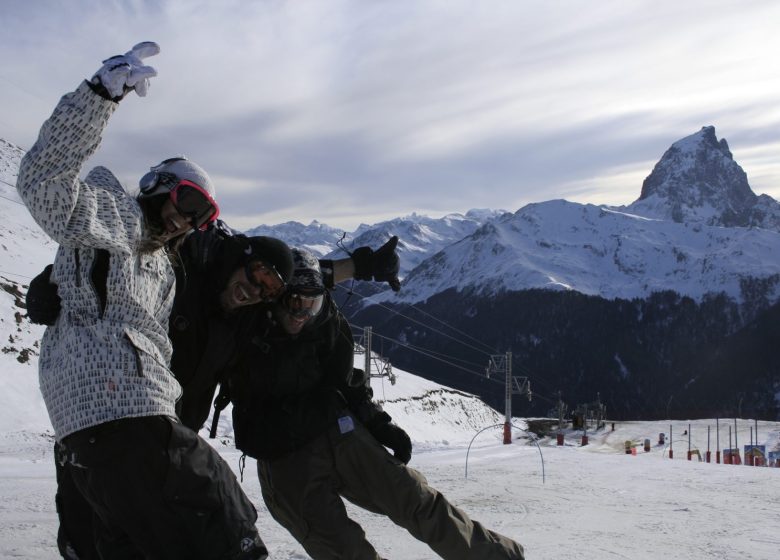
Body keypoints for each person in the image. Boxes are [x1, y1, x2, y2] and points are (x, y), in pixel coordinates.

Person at [17, 42, 267, 559]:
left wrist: (57, 281)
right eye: (188, 202)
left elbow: (92, 280)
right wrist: (97, 97)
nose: (188, 222)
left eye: (202, 217)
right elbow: (45, 187)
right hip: (122, 413)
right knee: (226, 524)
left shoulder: (162, 265)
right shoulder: (120, 215)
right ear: (158, 187)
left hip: (109, 423)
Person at [227, 248, 525, 560]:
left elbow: (347, 381)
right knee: (345, 550)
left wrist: (378, 424)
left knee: (416, 499)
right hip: (286, 462)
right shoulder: (250, 331)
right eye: (295, 303)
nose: (302, 315)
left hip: (338, 433)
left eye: (312, 304)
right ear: (275, 296)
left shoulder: (325, 322)